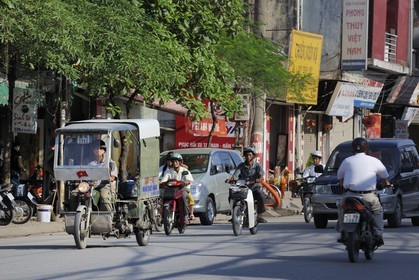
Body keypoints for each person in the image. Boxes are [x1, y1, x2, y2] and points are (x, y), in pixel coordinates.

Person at [336, 137, 389, 246]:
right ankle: (378, 234)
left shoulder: (347, 161)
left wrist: (344, 185)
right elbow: (385, 177)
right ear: (367, 149)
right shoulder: (374, 161)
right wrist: (386, 183)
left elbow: (340, 178)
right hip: (368, 196)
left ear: (353, 149)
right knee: (378, 211)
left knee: (341, 209)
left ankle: (343, 232)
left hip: (350, 195)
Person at [228, 147, 267, 223]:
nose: (248, 157)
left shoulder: (257, 166)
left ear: (253, 156)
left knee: (261, 195)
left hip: (254, 188)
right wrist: (230, 179)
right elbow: (235, 175)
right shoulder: (241, 166)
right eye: (246, 155)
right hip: (243, 188)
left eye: (249, 155)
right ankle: (235, 214)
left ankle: (259, 215)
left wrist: (256, 180)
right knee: (232, 195)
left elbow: (261, 178)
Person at [161, 152, 195, 223]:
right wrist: (160, 183)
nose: (175, 163)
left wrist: (186, 182)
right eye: (173, 161)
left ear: (180, 162)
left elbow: (190, 180)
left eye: (176, 161)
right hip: (171, 189)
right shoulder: (168, 171)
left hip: (183, 188)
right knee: (162, 197)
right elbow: (163, 180)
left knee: (183, 197)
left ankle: (185, 215)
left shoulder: (184, 170)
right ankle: (161, 215)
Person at [89, 140, 118, 211]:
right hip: (90, 185)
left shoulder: (110, 163)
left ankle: (106, 216)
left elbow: (113, 177)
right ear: (92, 150)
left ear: (104, 151)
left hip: (104, 185)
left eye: (101, 149)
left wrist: (106, 178)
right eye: (96, 148)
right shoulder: (88, 162)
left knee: (104, 197)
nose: (98, 150)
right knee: (75, 194)